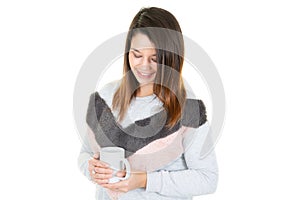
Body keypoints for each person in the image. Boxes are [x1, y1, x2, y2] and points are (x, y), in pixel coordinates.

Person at [78, 7, 218, 200]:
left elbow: (207, 178)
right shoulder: (105, 97)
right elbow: (85, 155)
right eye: (137, 55)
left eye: (155, 59)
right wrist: (90, 168)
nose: (144, 66)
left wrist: (144, 180)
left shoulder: (188, 109)